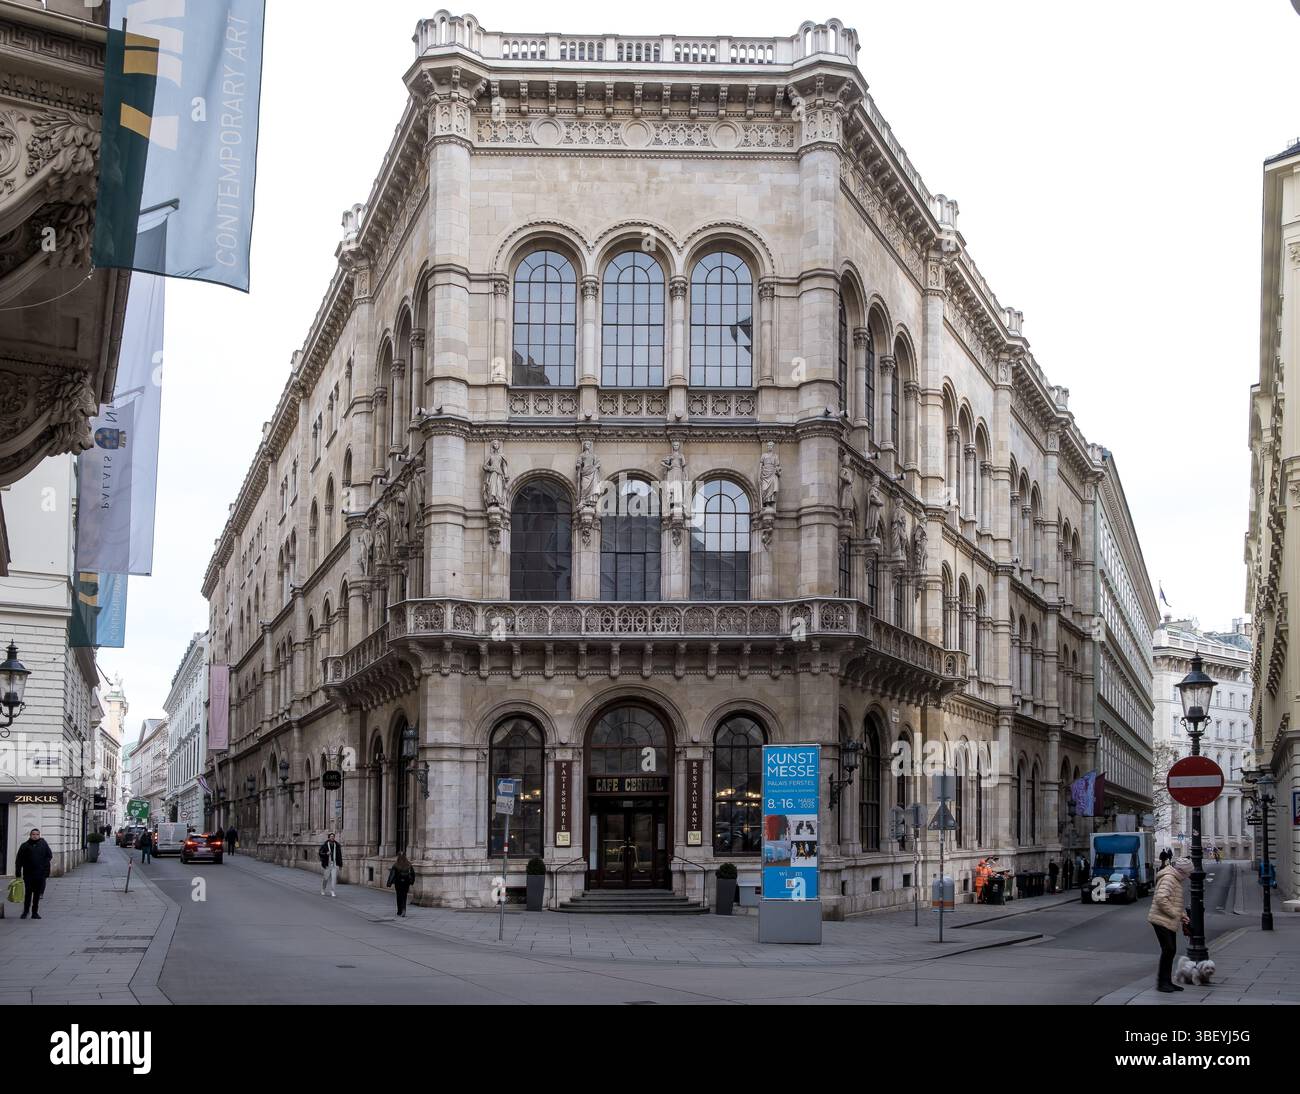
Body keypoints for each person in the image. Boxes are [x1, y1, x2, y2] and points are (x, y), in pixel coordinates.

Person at [1147, 856, 1193, 993]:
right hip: (1161, 919)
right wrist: (1176, 914)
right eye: (1187, 874)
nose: (1187, 877)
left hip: (1167, 920)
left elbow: (1174, 902)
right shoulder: (1169, 879)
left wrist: (1183, 916)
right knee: (1169, 950)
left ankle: (1167, 981)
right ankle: (1162, 983)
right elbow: (1161, 899)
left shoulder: (1174, 878)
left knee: (1170, 950)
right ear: (1182, 871)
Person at [16, 828, 53, 919]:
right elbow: (19, 860)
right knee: (28, 892)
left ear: (39, 835)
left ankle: (35, 912)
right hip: (28, 873)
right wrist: (18, 872)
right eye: (33, 834)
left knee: (36, 894)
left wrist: (44, 866)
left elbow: (49, 855)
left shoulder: (43, 845)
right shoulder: (25, 846)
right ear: (30, 835)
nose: (35, 836)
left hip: (39, 873)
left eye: (37, 834)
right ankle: (25, 911)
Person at [318, 832, 342, 897]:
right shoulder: (325, 845)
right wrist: (326, 854)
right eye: (331, 836)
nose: (332, 837)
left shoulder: (337, 845)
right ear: (329, 838)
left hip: (334, 864)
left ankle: (332, 891)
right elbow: (320, 853)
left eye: (333, 836)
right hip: (327, 864)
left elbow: (339, 855)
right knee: (325, 878)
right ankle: (323, 889)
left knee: (334, 879)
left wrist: (340, 865)